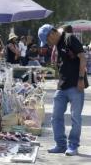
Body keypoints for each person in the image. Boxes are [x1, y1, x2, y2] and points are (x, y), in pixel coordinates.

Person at [38, 24, 88, 156]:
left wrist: (81, 79)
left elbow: (83, 57)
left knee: (75, 117)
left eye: (48, 40)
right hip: (62, 85)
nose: (48, 44)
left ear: (52, 34)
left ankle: (73, 145)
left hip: (76, 85)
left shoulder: (69, 38)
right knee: (55, 117)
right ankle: (60, 145)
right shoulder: (57, 44)